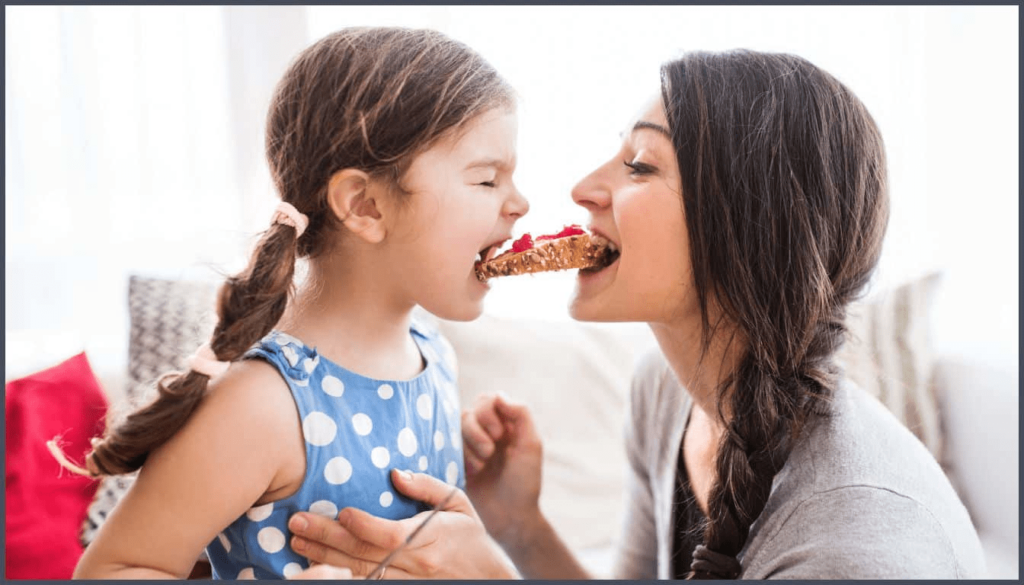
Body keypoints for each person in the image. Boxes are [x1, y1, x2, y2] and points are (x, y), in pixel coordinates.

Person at [284, 49, 987, 579]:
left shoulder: (858, 540)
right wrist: (520, 527)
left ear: (746, 227)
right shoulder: (668, 392)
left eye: (641, 165)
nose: (583, 188)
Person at [57, 26, 528, 579]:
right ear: (366, 206)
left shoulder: (432, 352)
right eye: (488, 180)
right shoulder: (261, 404)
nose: (520, 204)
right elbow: (112, 570)